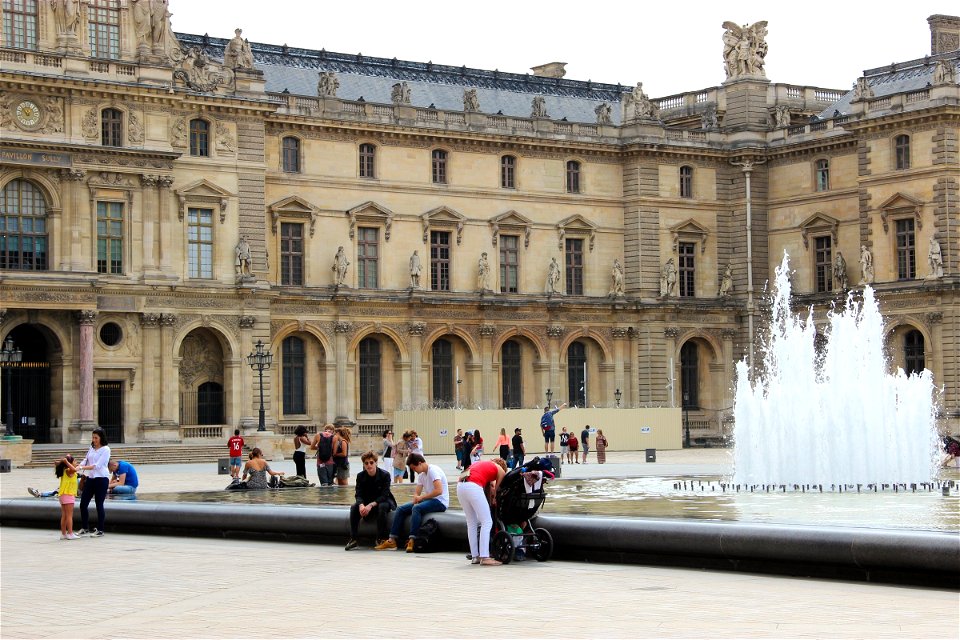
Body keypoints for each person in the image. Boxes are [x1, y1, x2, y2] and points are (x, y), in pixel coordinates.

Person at [376, 453, 449, 552]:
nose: (414, 471)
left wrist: (421, 498)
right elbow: (417, 493)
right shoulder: (422, 475)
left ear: (420, 463)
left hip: (440, 501)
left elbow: (439, 491)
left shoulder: (433, 471)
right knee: (401, 509)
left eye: (414, 468)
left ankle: (412, 539)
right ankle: (392, 540)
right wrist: (416, 498)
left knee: (416, 508)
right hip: (429, 500)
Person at [456, 457, 507, 566]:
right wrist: (494, 498)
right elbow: (497, 489)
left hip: (460, 486)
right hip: (473, 486)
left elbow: (487, 489)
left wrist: (489, 501)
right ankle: (485, 557)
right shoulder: (500, 469)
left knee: (471, 522)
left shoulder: (481, 465)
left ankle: (475, 556)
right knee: (487, 522)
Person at [345, 451, 396, 550]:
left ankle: (381, 538)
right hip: (367, 502)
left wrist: (370, 505)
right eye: (366, 463)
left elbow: (385, 495)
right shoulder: (360, 476)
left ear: (376, 463)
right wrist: (361, 505)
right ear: (363, 464)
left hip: (382, 501)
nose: (369, 465)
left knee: (383, 506)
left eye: (371, 462)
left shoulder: (385, 475)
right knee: (354, 507)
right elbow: (358, 494)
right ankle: (354, 538)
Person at [76, 427, 110, 537]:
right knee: (83, 503)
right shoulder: (91, 447)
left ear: (101, 438)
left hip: (101, 479)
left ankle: (100, 529)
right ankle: (85, 527)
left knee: (99, 504)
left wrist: (82, 468)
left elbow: (97, 465)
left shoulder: (106, 449)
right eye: (93, 437)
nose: (94, 440)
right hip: (91, 478)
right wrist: (78, 466)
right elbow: (86, 459)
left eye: (96, 438)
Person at [56, 455, 80, 540]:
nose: (76, 463)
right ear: (70, 463)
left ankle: (63, 534)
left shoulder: (64, 470)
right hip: (68, 495)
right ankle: (70, 533)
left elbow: (56, 463)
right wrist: (66, 462)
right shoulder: (69, 471)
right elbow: (73, 469)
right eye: (75, 461)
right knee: (69, 516)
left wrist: (64, 462)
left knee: (65, 515)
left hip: (63, 495)